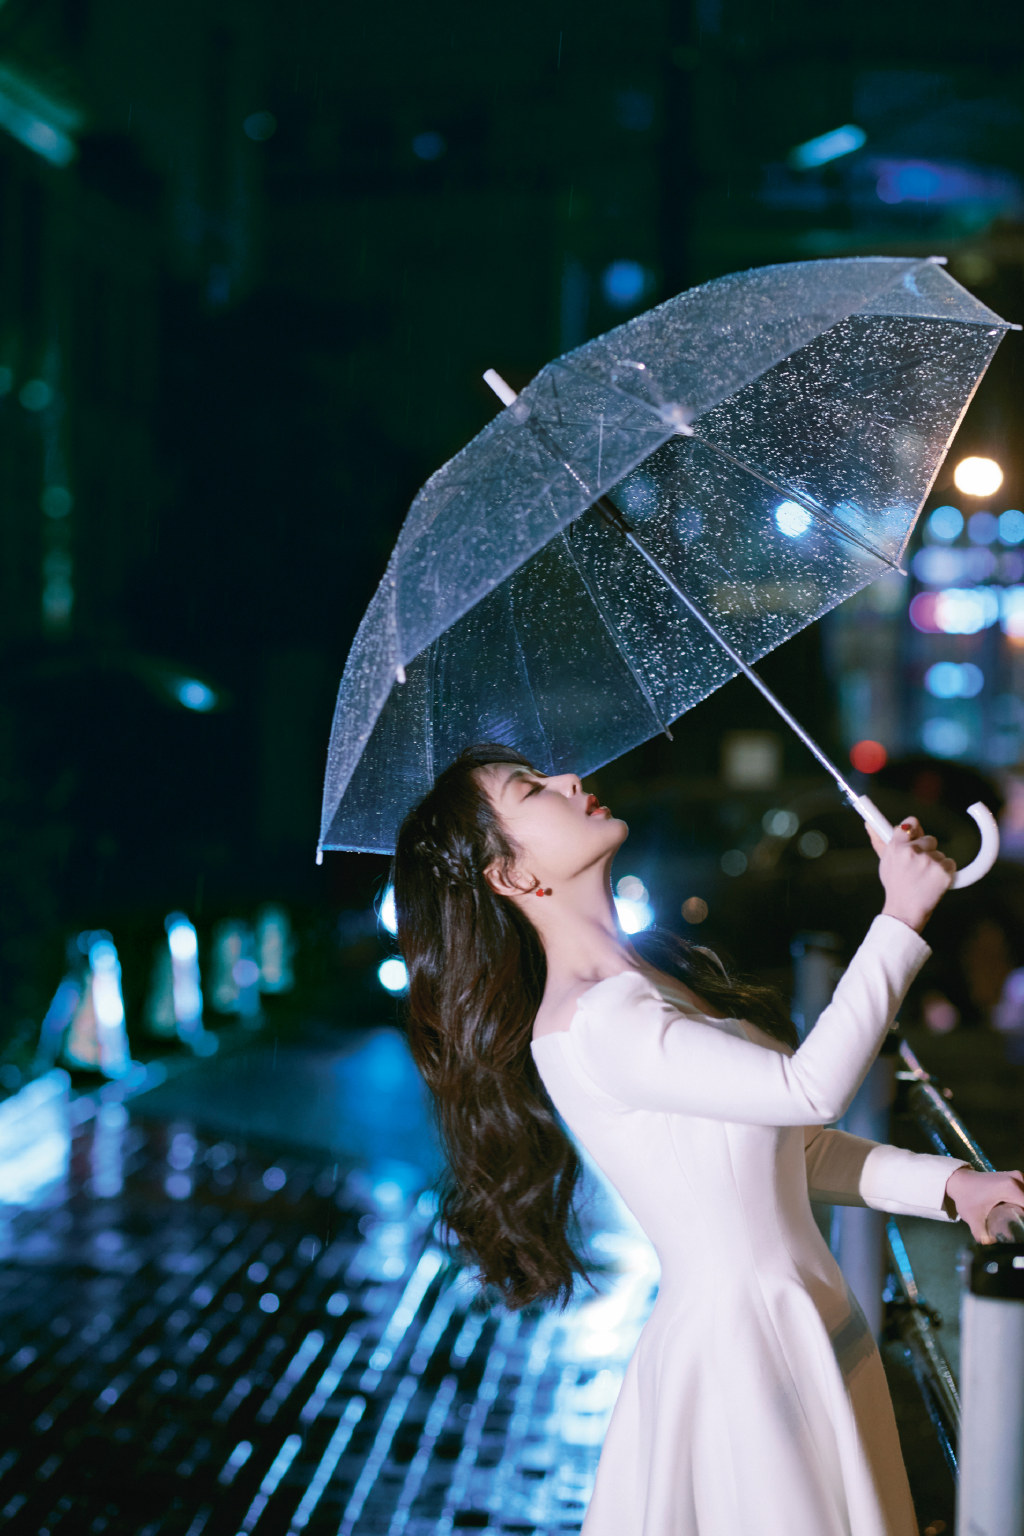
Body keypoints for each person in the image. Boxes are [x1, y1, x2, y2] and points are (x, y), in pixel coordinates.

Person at [391, 741, 1024, 1536]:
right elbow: (808, 1091)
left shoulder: (639, 983)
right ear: (513, 876)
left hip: (795, 1317)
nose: (570, 779)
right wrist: (898, 919)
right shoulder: (597, 1020)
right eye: (533, 790)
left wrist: (950, 1186)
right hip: (748, 1353)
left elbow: (780, 1147)